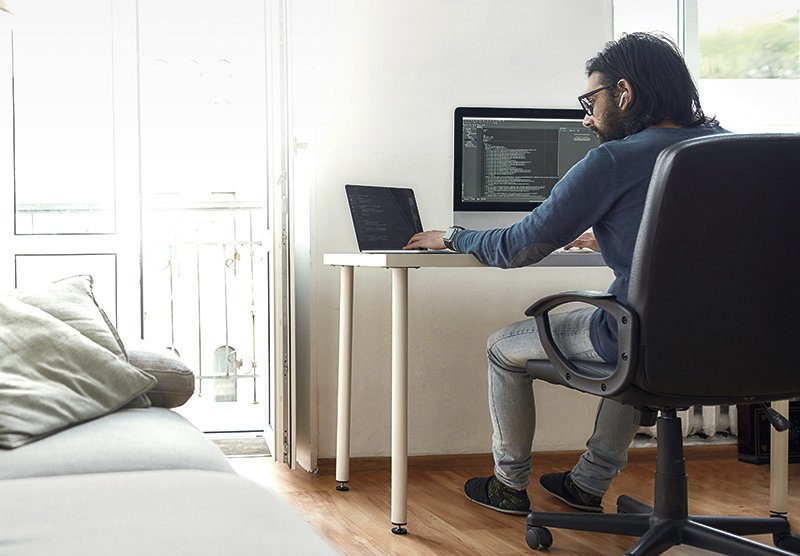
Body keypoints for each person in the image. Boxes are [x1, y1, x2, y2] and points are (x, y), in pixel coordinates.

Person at [404, 32, 728, 515]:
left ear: (624, 92)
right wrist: (618, 236)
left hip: (647, 338)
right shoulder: (734, 152)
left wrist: (453, 236)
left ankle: (508, 485)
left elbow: (518, 246)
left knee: (506, 345)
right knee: (638, 337)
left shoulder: (615, 159)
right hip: (743, 346)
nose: (587, 115)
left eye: (591, 99)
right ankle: (587, 483)